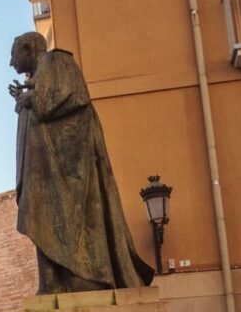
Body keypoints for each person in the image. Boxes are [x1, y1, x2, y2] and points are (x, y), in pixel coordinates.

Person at [9, 31, 154, 295]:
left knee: (66, 218)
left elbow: (73, 96)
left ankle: (83, 276)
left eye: (13, 54)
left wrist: (31, 98)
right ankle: (51, 283)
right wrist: (25, 98)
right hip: (44, 168)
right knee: (39, 216)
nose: (11, 63)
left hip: (67, 168)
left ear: (29, 49)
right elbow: (47, 101)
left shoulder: (58, 62)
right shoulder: (42, 74)